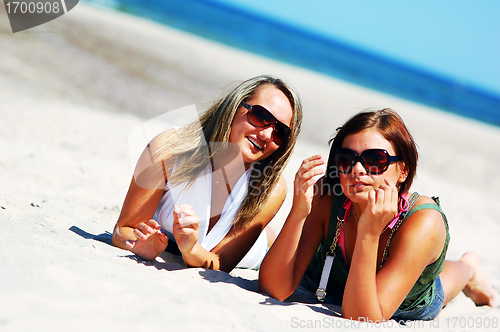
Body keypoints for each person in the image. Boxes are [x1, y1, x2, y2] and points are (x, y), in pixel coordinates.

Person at [259, 108, 495, 321]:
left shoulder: (424, 222)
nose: (358, 170)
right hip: (332, 282)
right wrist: (299, 212)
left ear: (403, 170)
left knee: (444, 282)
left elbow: (362, 318)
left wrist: (369, 234)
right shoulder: (328, 195)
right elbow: (274, 288)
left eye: (375, 160)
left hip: (404, 301)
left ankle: (469, 267)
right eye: (346, 159)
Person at [112, 75, 302, 272]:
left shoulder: (270, 189)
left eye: (280, 132)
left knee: (266, 241)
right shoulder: (169, 148)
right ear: (235, 106)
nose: (266, 135)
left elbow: (223, 261)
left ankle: (267, 235)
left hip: (253, 252)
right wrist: (142, 246)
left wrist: (191, 250)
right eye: (261, 116)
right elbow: (123, 229)